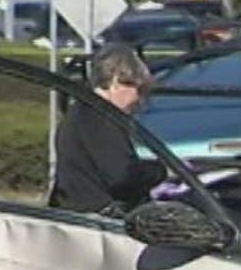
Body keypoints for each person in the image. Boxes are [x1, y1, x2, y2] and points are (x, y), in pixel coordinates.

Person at [50, 44, 165, 215]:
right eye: (139, 90)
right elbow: (122, 176)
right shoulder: (99, 119)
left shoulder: (82, 112)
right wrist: (160, 171)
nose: (140, 100)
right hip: (99, 221)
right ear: (117, 82)